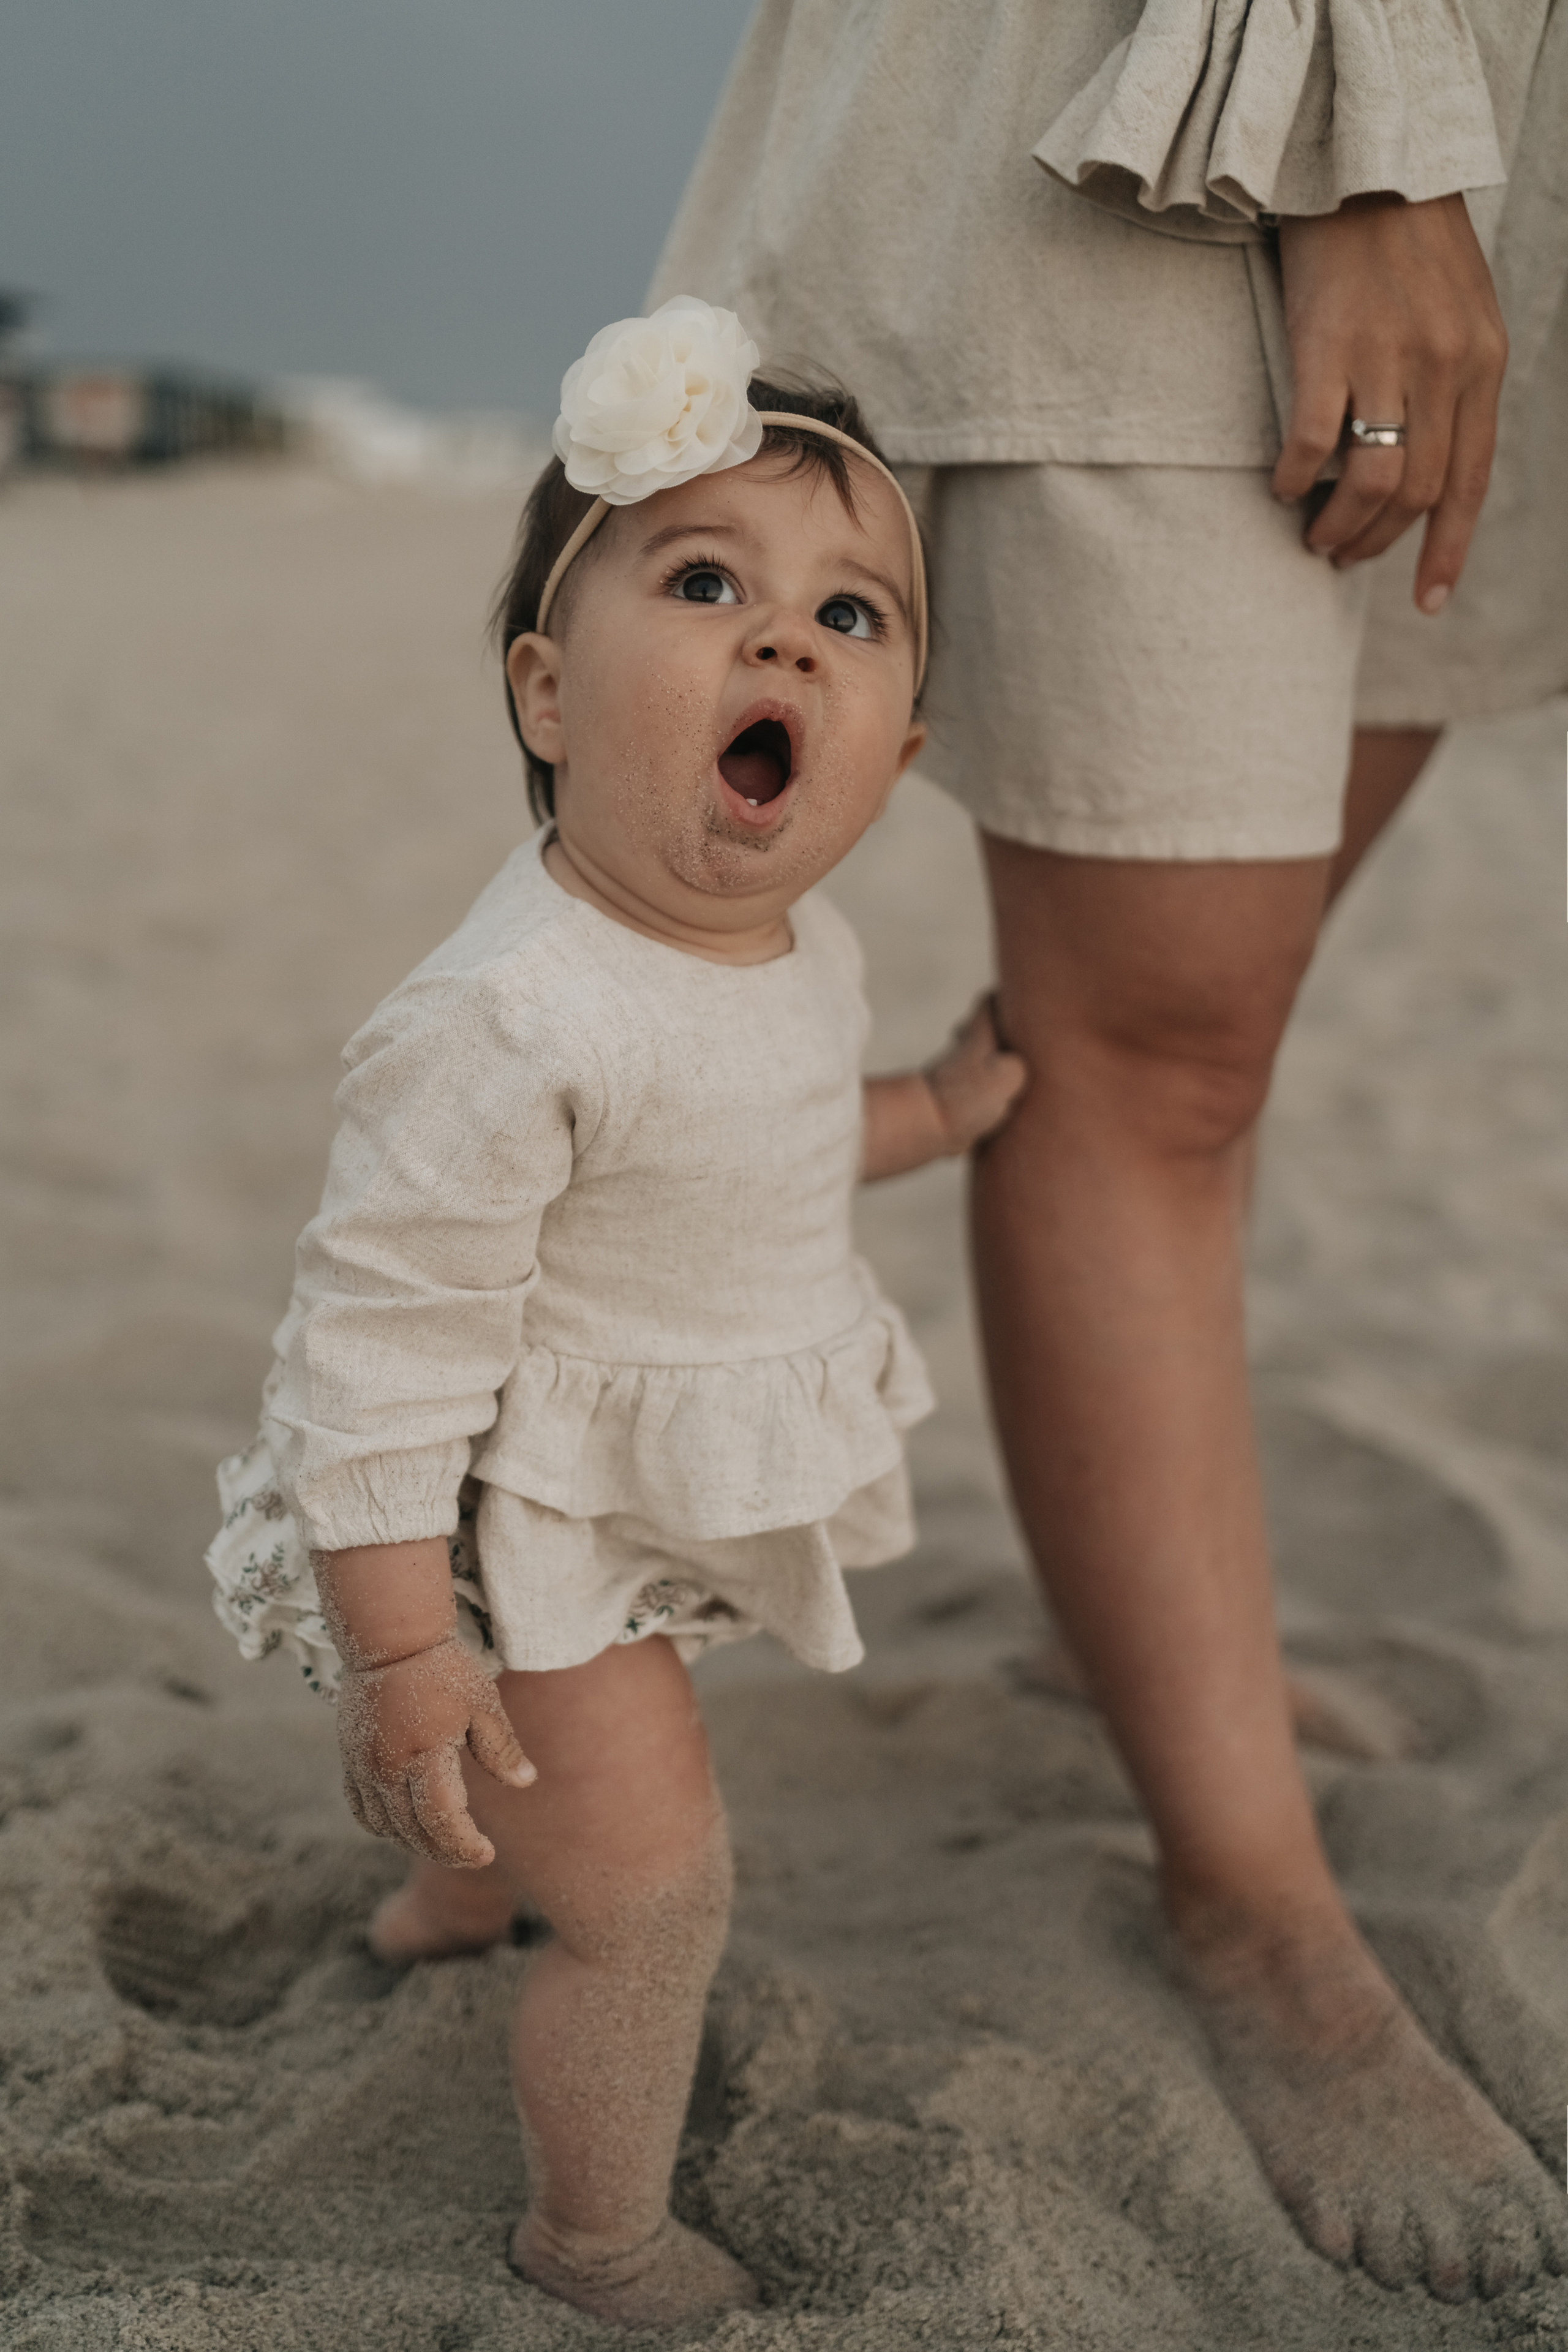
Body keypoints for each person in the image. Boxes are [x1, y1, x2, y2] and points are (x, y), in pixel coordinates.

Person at [649, 0, 1568, 2305]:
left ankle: (1138, 1630)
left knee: (1202, 1036)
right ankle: (1254, 1904)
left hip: (1500, 101)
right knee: (1148, 1057)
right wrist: (1368, 151)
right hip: (1192, 106)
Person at [206, 298, 1026, 2331]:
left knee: (533, 1805)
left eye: (851, 618)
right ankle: (594, 2240)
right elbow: (377, 1344)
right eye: (706, 579)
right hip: (509, 1534)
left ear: (895, 759)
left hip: (640, 1478)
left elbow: (763, 1138)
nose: (782, 642)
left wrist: (933, 1108)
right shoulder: (509, 1018)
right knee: (655, 1900)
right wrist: (404, 1646)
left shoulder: (787, 940)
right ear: (549, 693)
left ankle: (451, 1891)